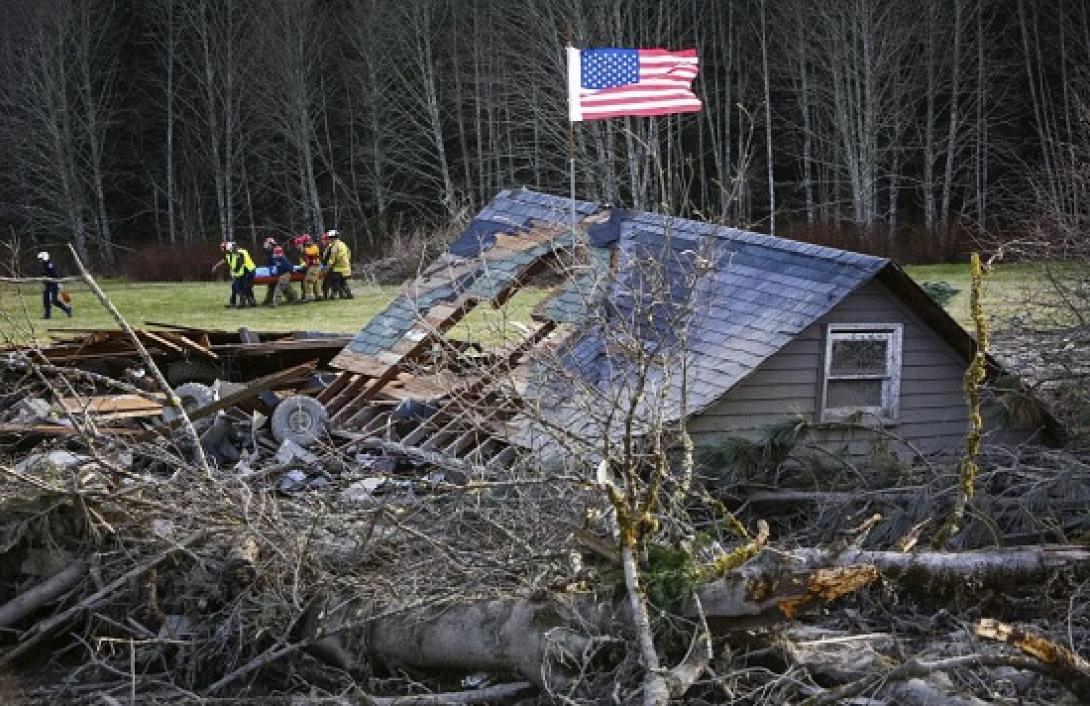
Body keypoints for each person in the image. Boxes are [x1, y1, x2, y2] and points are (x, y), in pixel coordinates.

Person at [213, 241, 257, 308]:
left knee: (244, 287)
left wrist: (234, 271)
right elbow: (225, 260)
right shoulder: (230, 254)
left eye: (225, 249)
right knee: (236, 287)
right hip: (241, 272)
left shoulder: (240, 253)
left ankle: (246, 302)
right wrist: (216, 266)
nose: (224, 251)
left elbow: (240, 263)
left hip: (248, 271)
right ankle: (237, 303)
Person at [38, 251, 72, 319]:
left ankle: (67, 309)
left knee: (53, 300)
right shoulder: (45, 265)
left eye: (41, 259)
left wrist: (58, 284)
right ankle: (47, 315)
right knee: (46, 300)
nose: (40, 261)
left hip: (53, 284)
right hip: (48, 284)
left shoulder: (50, 265)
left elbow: (55, 275)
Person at [324, 229, 353, 299]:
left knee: (336, 283)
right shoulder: (343, 244)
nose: (329, 239)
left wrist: (327, 267)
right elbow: (349, 254)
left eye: (329, 238)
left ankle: (342, 295)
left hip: (338, 268)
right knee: (343, 282)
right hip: (346, 268)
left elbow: (332, 259)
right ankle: (348, 294)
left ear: (332, 238)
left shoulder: (334, 246)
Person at [295, 234, 322, 302]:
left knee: (308, 281)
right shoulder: (314, 247)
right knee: (316, 281)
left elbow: (308, 260)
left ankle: (309, 297)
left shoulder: (308, 249)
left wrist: (302, 265)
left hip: (313, 267)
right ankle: (318, 295)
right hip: (316, 266)